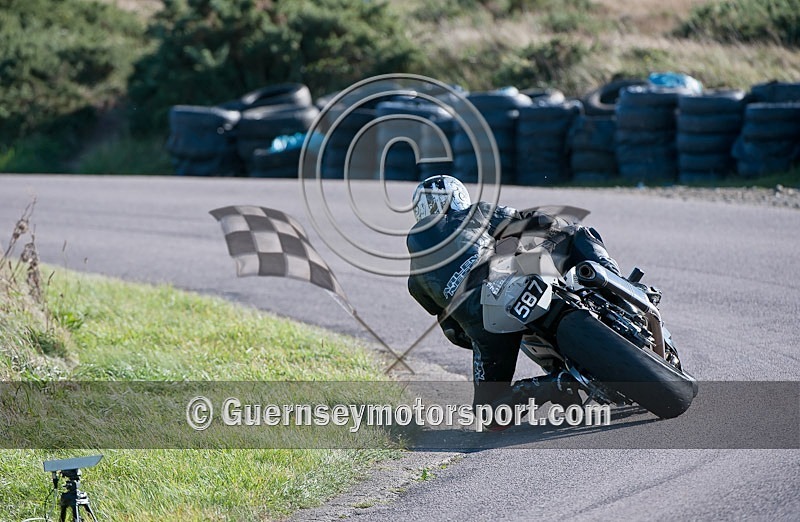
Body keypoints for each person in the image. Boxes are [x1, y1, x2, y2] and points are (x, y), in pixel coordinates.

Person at [406, 175, 621, 429]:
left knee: (489, 415)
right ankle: (615, 285)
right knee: (576, 232)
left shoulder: (415, 279)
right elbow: (532, 224)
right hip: (512, 274)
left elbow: (452, 330)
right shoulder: (476, 212)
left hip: (485, 327)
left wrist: (482, 337)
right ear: (458, 197)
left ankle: (553, 385)